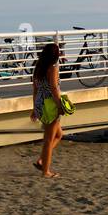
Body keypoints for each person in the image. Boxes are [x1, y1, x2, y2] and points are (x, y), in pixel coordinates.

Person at [30, 42, 67, 176]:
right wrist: (59, 106)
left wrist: (34, 108)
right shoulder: (53, 68)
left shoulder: (38, 67)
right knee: (49, 139)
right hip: (50, 105)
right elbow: (54, 89)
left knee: (59, 135)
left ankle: (41, 160)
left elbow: (35, 89)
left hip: (40, 104)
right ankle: (46, 171)